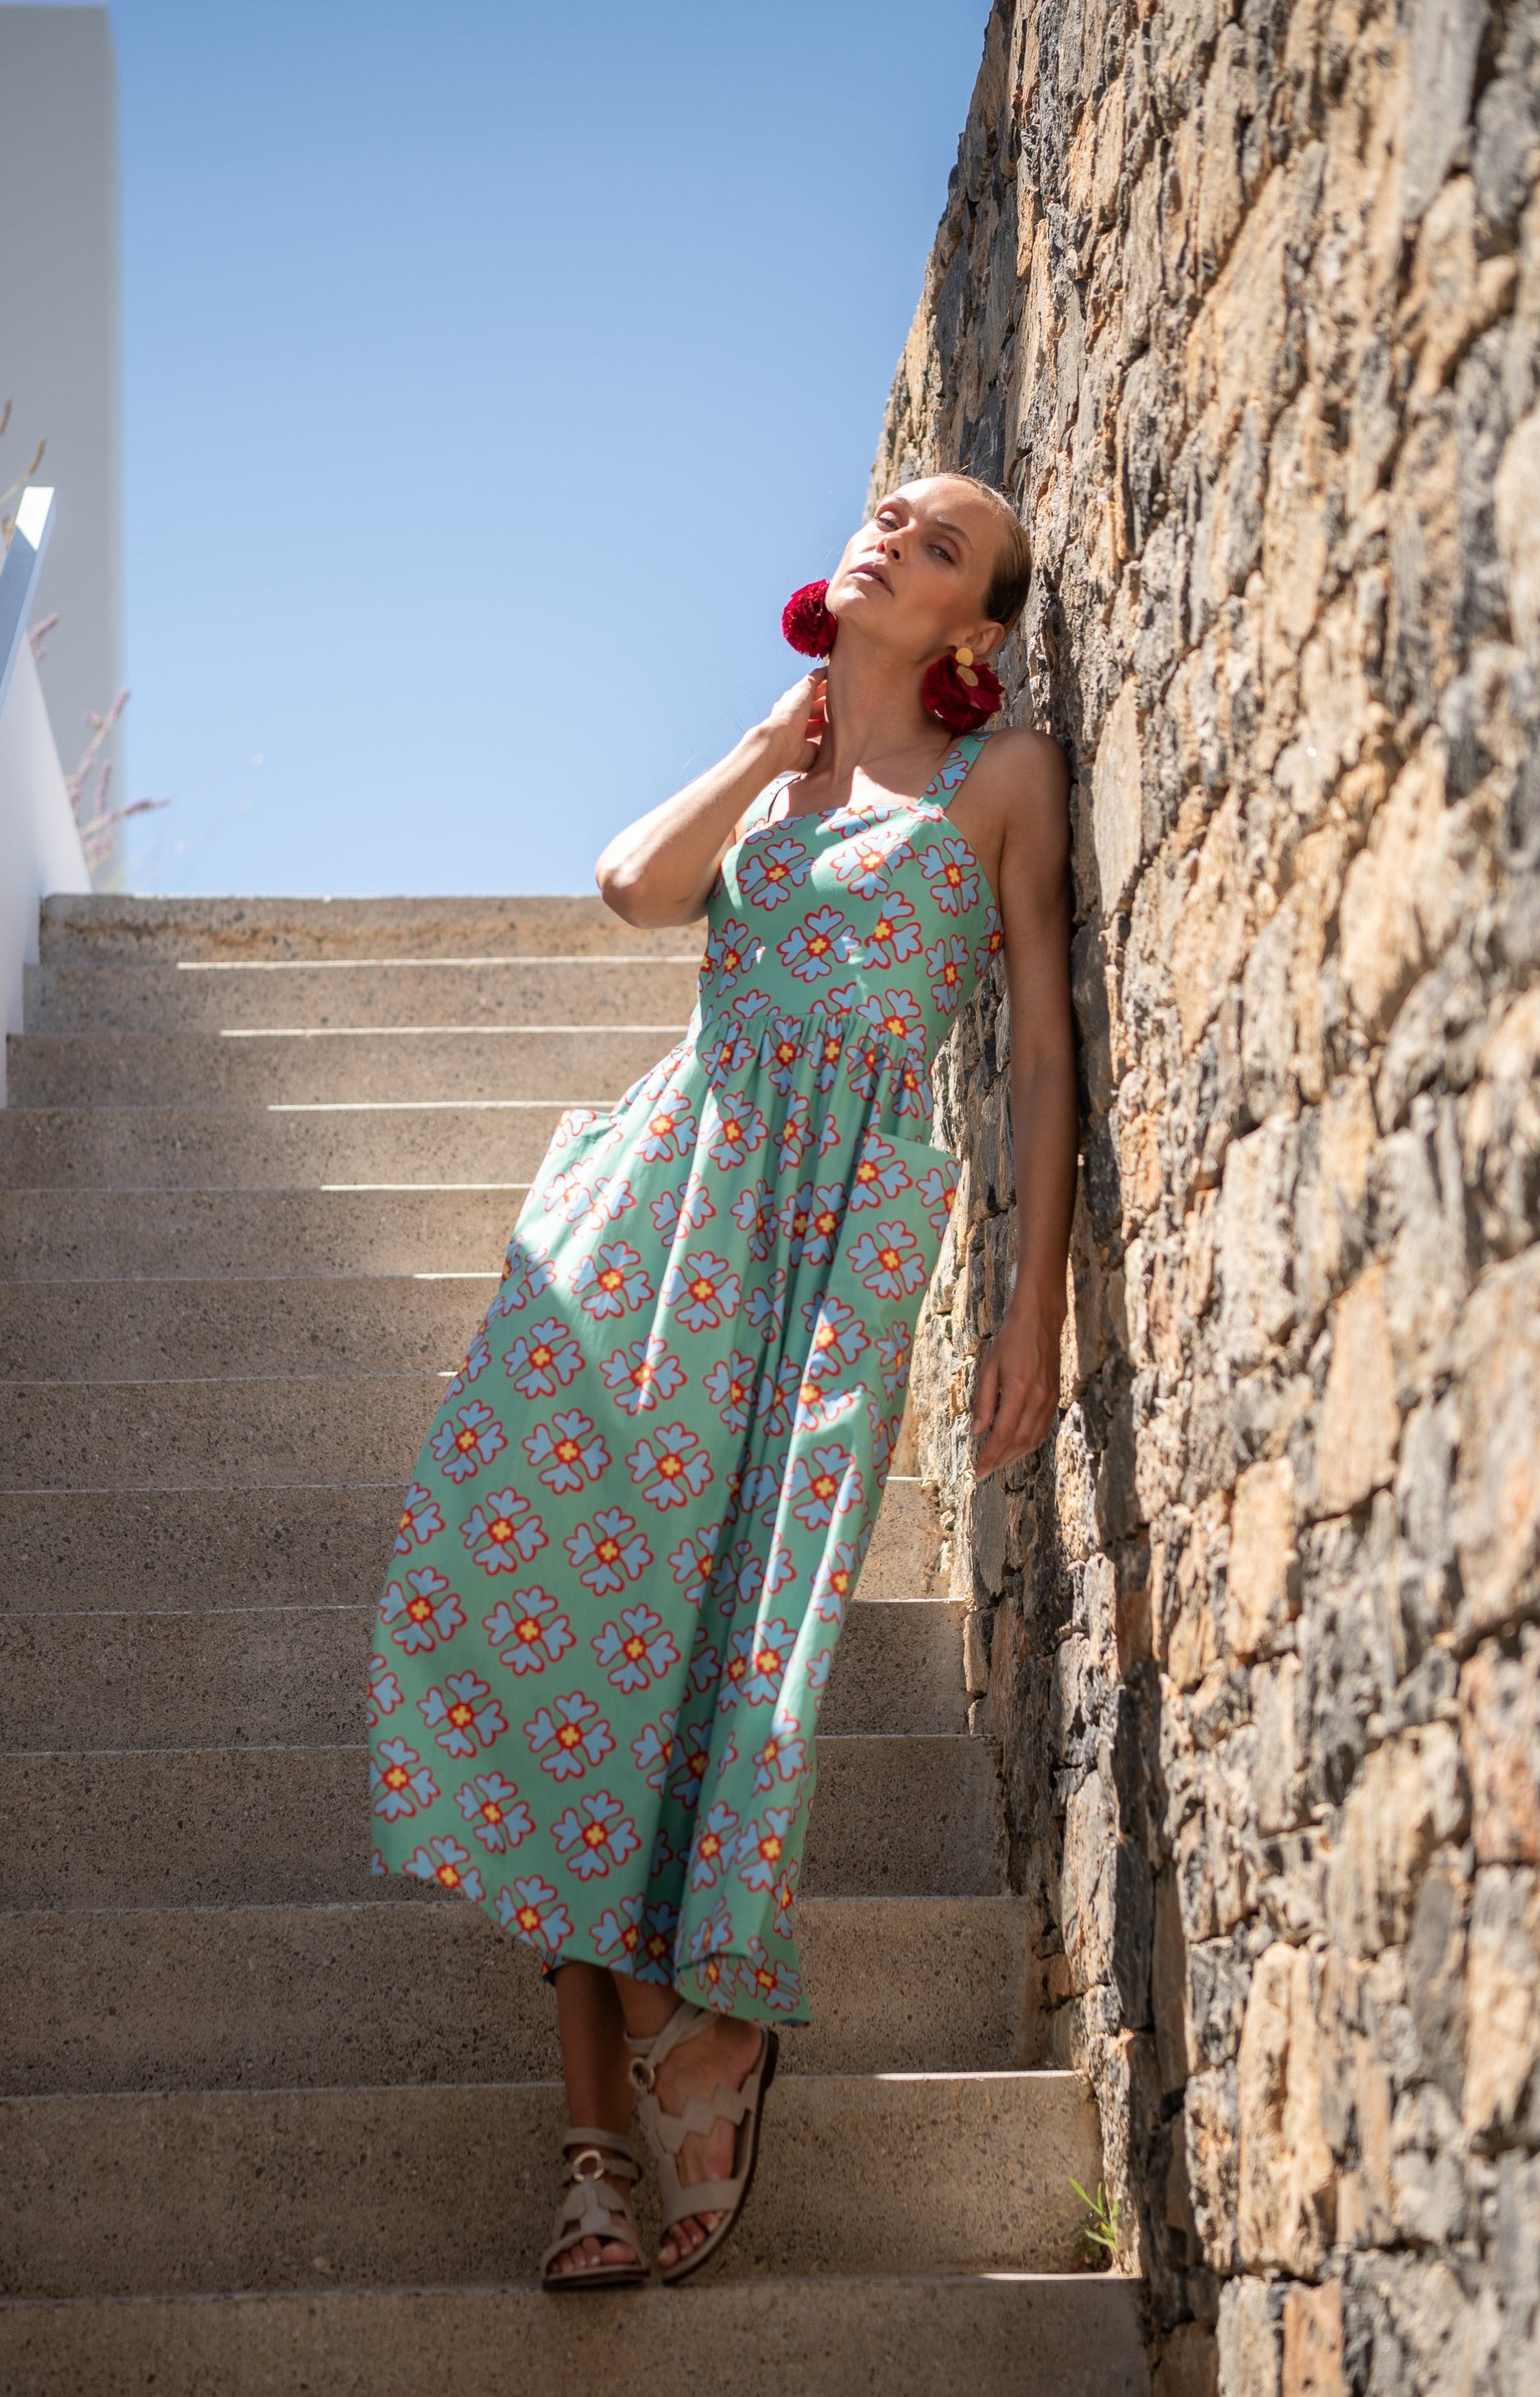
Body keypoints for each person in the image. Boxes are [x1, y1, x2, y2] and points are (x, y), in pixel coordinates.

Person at [366, 473, 1075, 2289]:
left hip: (841, 1238)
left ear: (973, 631)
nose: (892, 538)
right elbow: (629, 889)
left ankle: (719, 2021)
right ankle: (595, 2144)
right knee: (575, 1643)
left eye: (938, 546)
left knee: (752, 1641)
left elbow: (1040, 1043)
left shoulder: (997, 782)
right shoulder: (778, 771)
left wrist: (1030, 1305)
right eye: (891, 513)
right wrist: (773, 736)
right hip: (661, 1224)